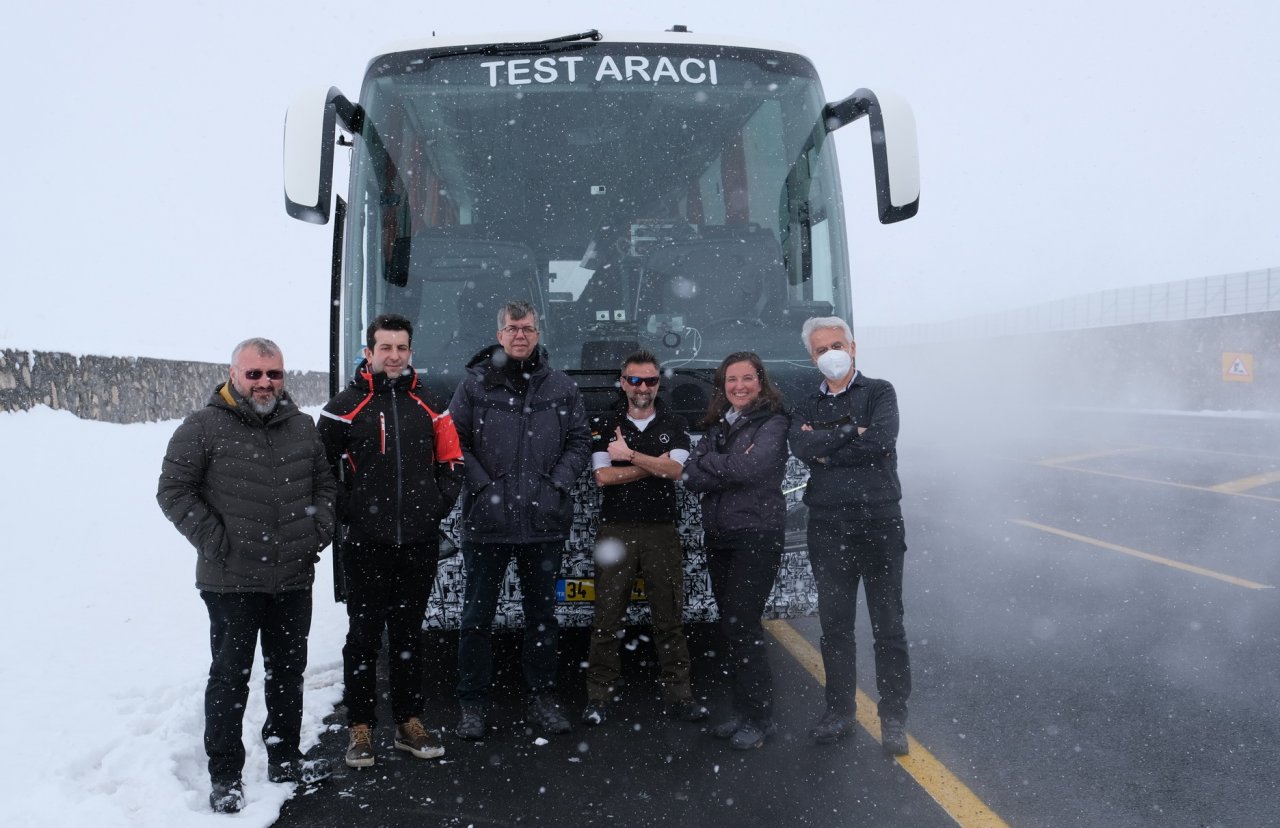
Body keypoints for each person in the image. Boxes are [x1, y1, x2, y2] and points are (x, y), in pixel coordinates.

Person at [156, 338, 337, 814]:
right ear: (233, 374)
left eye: (273, 374)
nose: (264, 383)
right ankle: (225, 775)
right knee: (230, 679)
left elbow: (325, 484)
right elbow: (174, 491)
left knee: (286, 674)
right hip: (230, 581)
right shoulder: (202, 427)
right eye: (254, 373)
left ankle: (284, 758)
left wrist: (317, 531)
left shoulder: (301, 427)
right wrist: (219, 544)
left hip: (293, 579)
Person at [318, 314, 463, 769]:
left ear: (410, 352)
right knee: (362, 639)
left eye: (401, 348)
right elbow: (321, 474)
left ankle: (409, 722)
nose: (394, 356)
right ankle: (361, 728)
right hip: (365, 544)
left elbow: (452, 461)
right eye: (386, 348)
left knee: (407, 635)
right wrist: (350, 512)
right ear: (369, 352)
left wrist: (436, 505)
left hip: (417, 543)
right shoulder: (343, 407)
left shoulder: (431, 403)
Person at [448, 299, 591, 739]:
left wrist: (555, 487)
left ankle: (542, 699)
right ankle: (473, 704)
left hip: (542, 523)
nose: (520, 335)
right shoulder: (474, 387)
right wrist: (486, 489)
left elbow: (580, 442)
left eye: (527, 328)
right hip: (486, 526)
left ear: (538, 333)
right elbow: (456, 443)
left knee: (542, 617)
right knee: (476, 618)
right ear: (500, 333)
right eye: (513, 328)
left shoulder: (561, 387)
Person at [787, 316, 911, 756]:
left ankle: (893, 719)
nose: (831, 354)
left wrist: (826, 446)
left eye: (837, 345)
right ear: (812, 358)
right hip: (828, 526)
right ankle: (839, 712)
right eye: (821, 350)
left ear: (853, 347)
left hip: (879, 522)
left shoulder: (880, 392)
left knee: (888, 627)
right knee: (835, 628)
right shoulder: (803, 404)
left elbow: (881, 440)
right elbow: (800, 449)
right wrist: (846, 433)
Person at [581, 350, 709, 726]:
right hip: (615, 531)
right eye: (634, 380)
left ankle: (680, 696)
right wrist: (654, 465)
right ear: (623, 383)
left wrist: (629, 455)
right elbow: (603, 477)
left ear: (658, 383)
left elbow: (676, 470)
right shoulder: (606, 424)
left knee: (668, 617)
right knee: (606, 617)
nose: (642, 387)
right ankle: (598, 697)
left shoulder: (675, 422)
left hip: (661, 532)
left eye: (650, 380)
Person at [682, 351, 790, 750]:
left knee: (743, 626)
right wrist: (721, 463)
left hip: (757, 536)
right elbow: (690, 477)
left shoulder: (774, 422)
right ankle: (744, 712)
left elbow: (755, 469)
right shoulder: (717, 425)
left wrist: (711, 464)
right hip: (721, 536)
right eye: (731, 380)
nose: (739, 386)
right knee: (729, 627)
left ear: (761, 382)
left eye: (747, 378)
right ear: (722, 385)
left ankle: (761, 719)